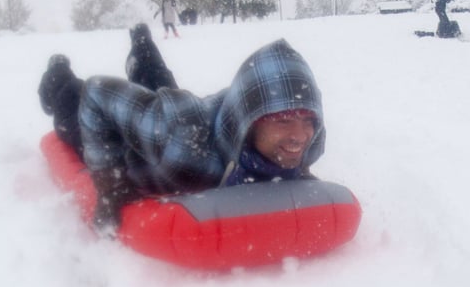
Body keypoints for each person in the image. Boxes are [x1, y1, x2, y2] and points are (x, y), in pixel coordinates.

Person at [74, 38, 325, 232]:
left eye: (308, 121)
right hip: (132, 137)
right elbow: (97, 92)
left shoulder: (301, 140)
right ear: (249, 122)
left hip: (191, 111)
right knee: (69, 104)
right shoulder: (182, 139)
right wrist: (110, 184)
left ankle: (144, 50)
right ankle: (61, 72)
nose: (300, 135)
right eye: (282, 121)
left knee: (157, 81)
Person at [125, 23, 178, 91]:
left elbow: (131, 73)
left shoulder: (134, 53)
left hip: (141, 91)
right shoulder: (151, 48)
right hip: (166, 88)